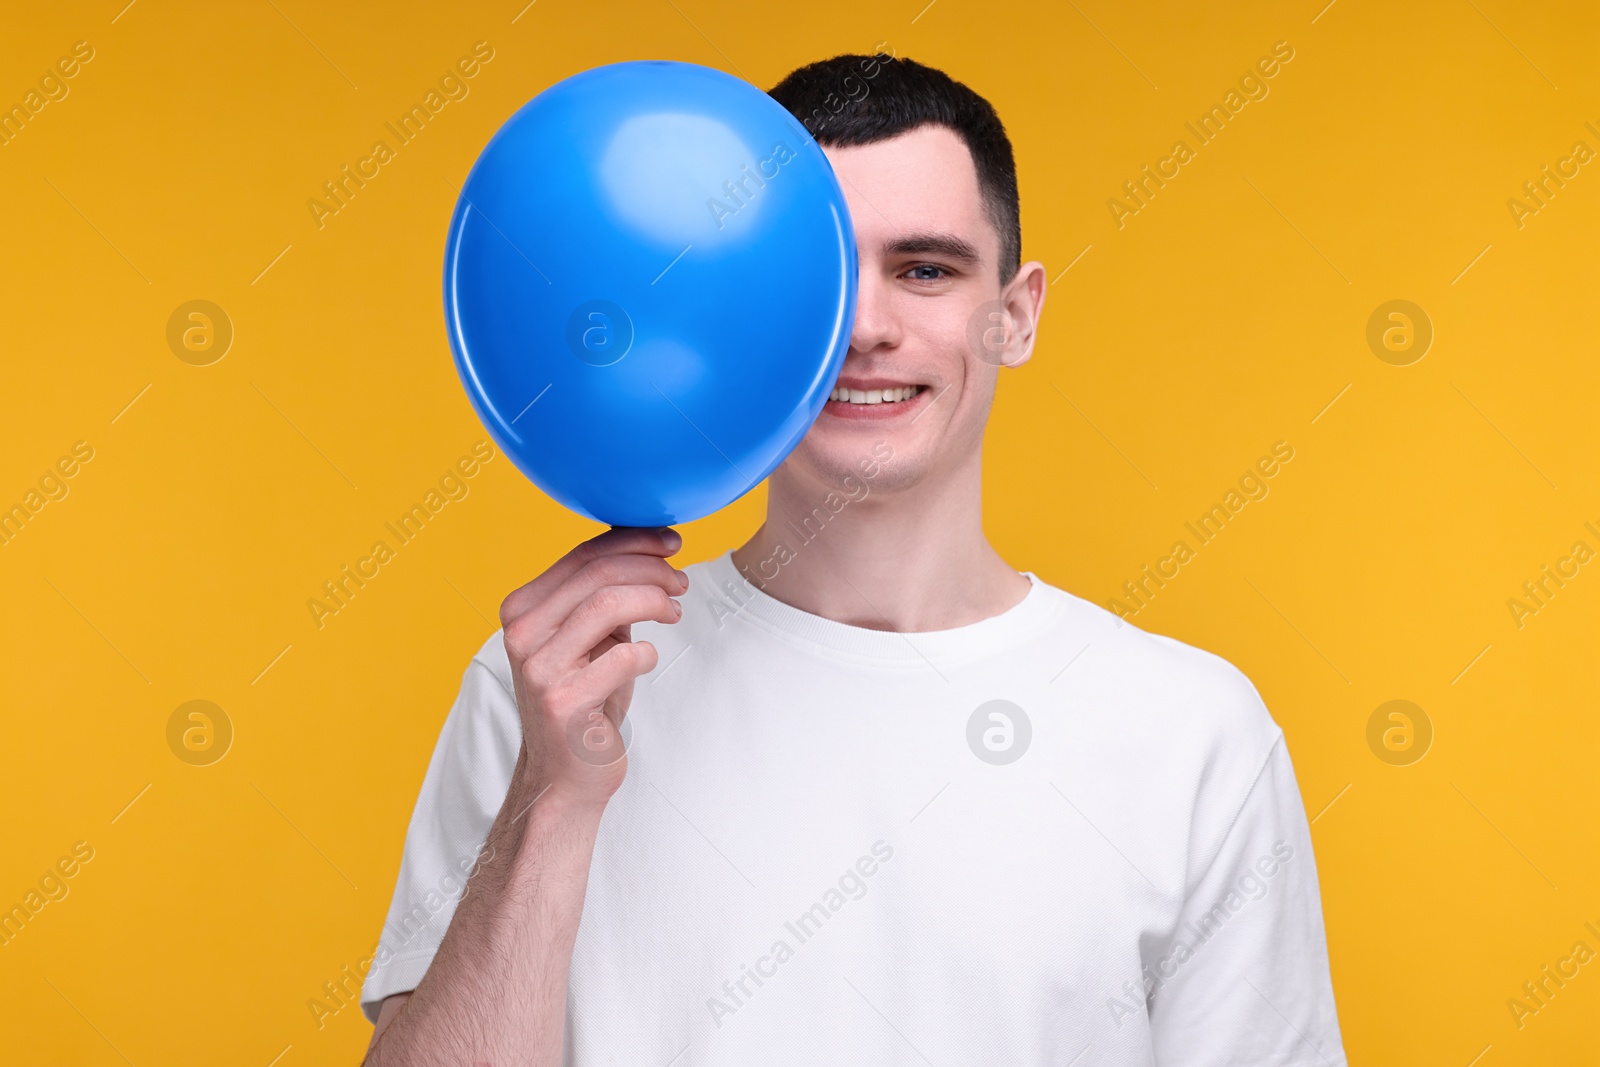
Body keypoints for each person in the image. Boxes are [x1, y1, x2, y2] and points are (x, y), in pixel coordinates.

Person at [358, 52, 1347, 1067]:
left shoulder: (1193, 736)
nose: (865, 327)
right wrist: (554, 799)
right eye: (816, 275)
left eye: (925, 269)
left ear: (1015, 314)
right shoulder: (558, 688)